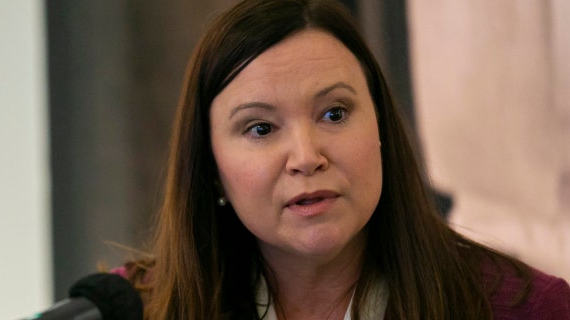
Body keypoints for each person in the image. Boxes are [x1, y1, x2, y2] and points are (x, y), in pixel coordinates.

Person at [113, 0, 570, 319]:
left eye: (335, 113)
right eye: (261, 128)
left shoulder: (527, 309)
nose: (307, 157)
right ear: (210, 169)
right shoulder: (127, 309)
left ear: (381, 133)